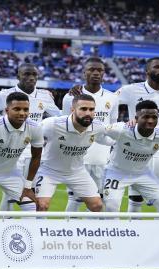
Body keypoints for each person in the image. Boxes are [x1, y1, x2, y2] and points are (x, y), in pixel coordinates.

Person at [0, 63, 61, 212]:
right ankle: (5, 225)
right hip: (12, 151)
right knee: (10, 195)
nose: (31, 78)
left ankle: (32, 226)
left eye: (34, 75)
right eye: (27, 74)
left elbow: (59, 117)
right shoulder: (4, 95)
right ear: (18, 76)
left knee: (32, 193)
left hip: (35, 152)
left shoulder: (45, 96)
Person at [116, 57, 159, 212]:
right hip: (136, 149)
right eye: (157, 67)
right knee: (135, 197)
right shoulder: (130, 90)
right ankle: (134, 234)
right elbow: (107, 102)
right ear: (147, 71)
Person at [61, 57, 118, 212]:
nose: (95, 73)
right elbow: (64, 124)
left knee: (98, 199)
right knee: (75, 198)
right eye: (91, 70)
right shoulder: (71, 97)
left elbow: (111, 126)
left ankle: (91, 231)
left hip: (102, 156)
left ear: (104, 73)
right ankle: (66, 231)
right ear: (84, 72)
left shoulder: (112, 98)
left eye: (99, 70)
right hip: (77, 154)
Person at [35, 94, 107, 212]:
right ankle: (40, 230)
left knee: (97, 206)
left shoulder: (98, 127)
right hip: (49, 171)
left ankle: (78, 230)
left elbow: (110, 138)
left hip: (76, 172)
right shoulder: (52, 124)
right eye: (83, 109)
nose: (88, 113)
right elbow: (31, 133)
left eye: (91, 109)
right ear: (72, 110)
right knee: (41, 206)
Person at [102, 100, 159, 213]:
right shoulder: (121, 130)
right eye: (145, 117)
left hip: (143, 173)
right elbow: (98, 129)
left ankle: (156, 231)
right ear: (136, 118)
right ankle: (114, 230)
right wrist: (109, 143)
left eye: (154, 117)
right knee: (111, 207)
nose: (150, 121)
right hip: (116, 172)